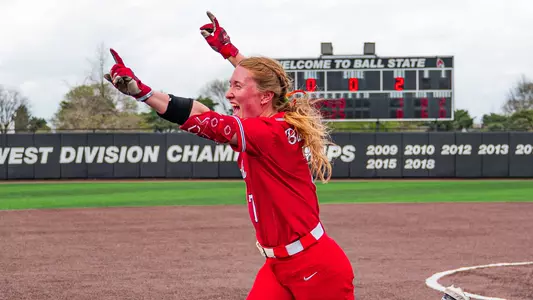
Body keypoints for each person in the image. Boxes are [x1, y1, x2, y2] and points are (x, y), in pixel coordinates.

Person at [104, 11, 355, 300]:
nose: (228, 94)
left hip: (316, 268)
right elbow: (262, 84)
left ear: (264, 97)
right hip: (278, 266)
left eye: (236, 86)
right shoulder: (276, 116)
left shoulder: (267, 133)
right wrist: (229, 51)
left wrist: (144, 93)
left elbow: (203, 119)